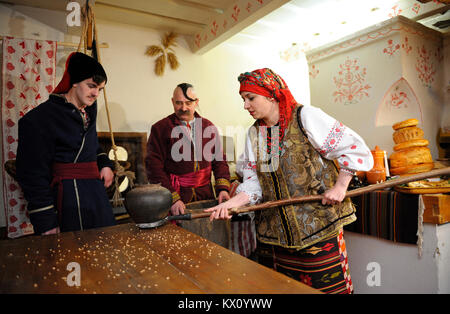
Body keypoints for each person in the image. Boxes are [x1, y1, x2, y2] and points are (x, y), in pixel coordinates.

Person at [205, 68, 374, 294]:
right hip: (273, 239)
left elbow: (354, 148)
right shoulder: (255, 134)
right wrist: (233, 203)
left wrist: (341, 186)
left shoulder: (305, 117)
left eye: (250, 98)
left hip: (318, 230)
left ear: (271, 95)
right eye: (243, 99)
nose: (245, 105)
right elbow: (255, 183)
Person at [16, 52, 116, 235]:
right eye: (92, 86)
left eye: (100, 89)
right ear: (74, 81)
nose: (96, 94)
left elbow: (91, 145)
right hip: (67, 200)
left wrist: (104, 164)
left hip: (96, 196)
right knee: (71, 256)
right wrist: (46, 221)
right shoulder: (39, 119)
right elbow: (32, 174)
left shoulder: (89, 110)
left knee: (104, 250)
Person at [146, 83, 231, 216]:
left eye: (188, 103)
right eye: (179, 103)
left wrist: (223, 189)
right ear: (172, 102)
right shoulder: (160, 129)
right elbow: (154, 168)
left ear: (196, 102)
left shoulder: (208, 127)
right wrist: (173, 199)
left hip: (206, 197)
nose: (183, 108)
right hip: (176, 198)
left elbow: (219, 161)